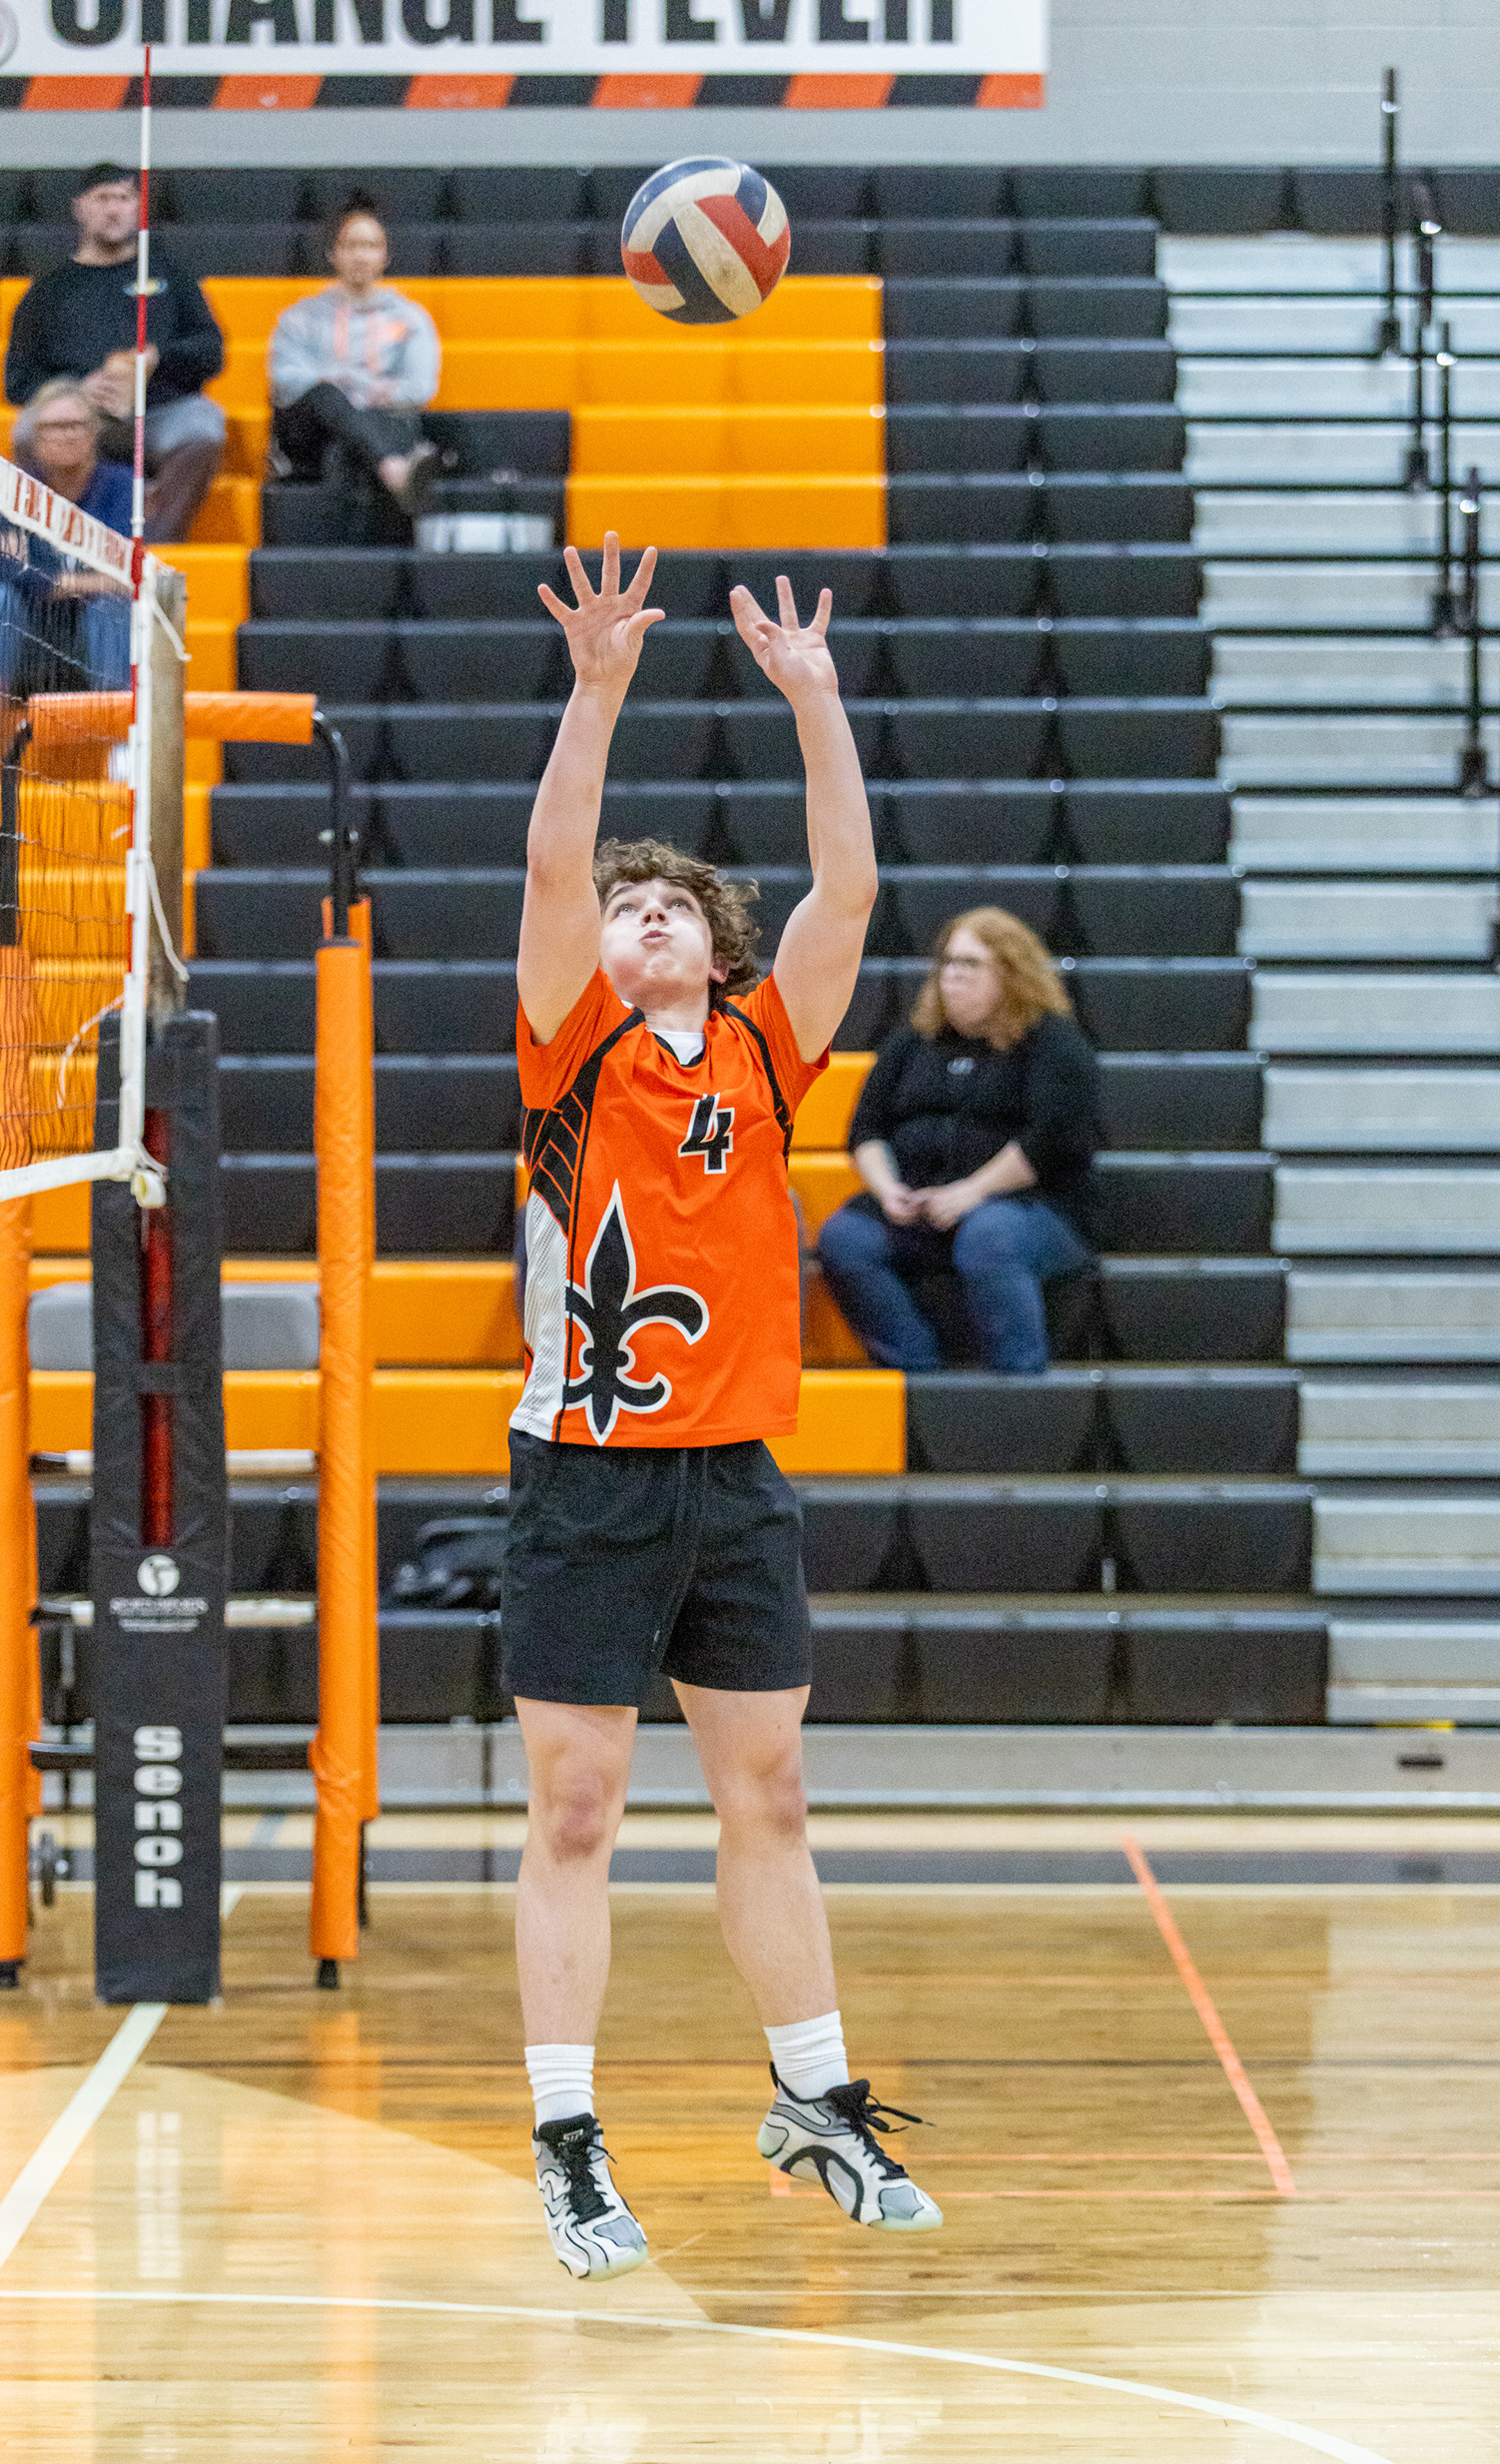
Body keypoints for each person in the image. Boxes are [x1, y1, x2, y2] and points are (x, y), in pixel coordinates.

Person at [508, 530, 942, 2282]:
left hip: (735, 1472)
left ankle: (815, 2097)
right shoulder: (572, 1045)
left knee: (772, 1794)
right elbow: (554, 857)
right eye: (631, 907)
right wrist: (597, 691)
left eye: (675, 904)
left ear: (713, 942)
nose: (648, 915)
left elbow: (850, 889)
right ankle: (566, 2136)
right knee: (578, 1808)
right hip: (589, 1470)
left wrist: (816, 702)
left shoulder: (765, 1049)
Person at [818, 907, 1102, 1375]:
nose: (952, 975)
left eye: (970, 964)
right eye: (947, 962)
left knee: (990, 1237)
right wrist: (888, 1190)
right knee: (845, 1238)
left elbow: (1049, 1140)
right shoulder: (911, 1043)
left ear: (1011, 973)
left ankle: (1020, 1381)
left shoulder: (1054, 1042)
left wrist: (972, 1192)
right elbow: (865, 1130)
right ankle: (916, 1372)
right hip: (921, 1207)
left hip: (1032, 1209)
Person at [5, 161, 226, 544]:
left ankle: (152, 546)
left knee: (203, 428)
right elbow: (18, 381)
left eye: (124, 198)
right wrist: (74, 392)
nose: (114, 209)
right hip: (84, 416)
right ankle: (65, 543)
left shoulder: (169, 274)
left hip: (160, 410)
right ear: (79, 208)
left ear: (137, 207)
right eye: (103, 198)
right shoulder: (49, 290)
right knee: (29, 432)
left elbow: (211, 351)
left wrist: (157, 359)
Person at [0, 381, 134, 784]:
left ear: (94, 433)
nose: (67, 435)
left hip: (97, 639)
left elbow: (127, 576)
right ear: (36, 438)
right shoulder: (17, 492)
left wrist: (45, 576)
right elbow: (4, 572)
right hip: (29, 640)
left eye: (76, 425)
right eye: (55, 427)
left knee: (113, 608)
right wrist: (86, 579)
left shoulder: (121, 486)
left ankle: (122, 750)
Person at [267, 197, 440, 538]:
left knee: (345, 452)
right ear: (333, 254)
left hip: (380, 422)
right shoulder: (300, 316)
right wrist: (350, 385)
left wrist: (356, 395)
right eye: (351, 245)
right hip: (311, 433)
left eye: (371, 246)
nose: (361, 256)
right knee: (325, 393)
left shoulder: (411, 317)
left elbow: (421, 388)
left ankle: (349, 562)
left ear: (386, 256)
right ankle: (395, 468)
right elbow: (283, 381)